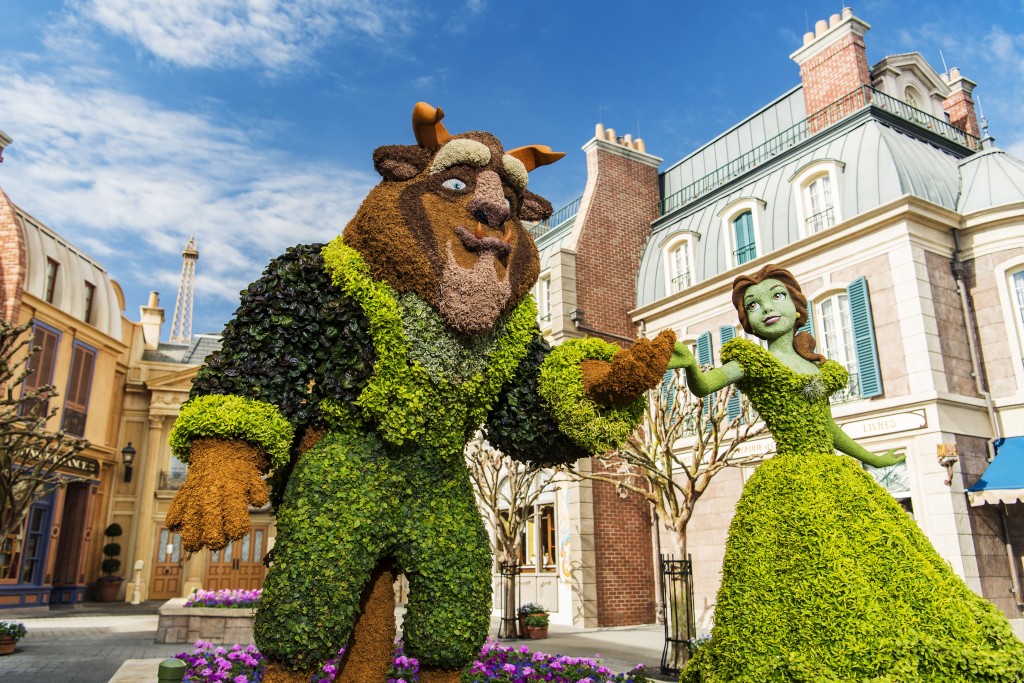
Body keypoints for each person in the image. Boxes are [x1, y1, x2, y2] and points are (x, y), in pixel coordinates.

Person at [673, 264, 1024, 682]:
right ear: (746, 321)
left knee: (876, 560)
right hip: (789, 479)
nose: (766, 308)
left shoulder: (818, 369)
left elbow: (827, 428)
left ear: (798, 307)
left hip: (835, 476)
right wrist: (690, 364)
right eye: (753, 304)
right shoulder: (750, 363)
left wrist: (873, 460)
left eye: (776, 296)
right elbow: (706, 384)